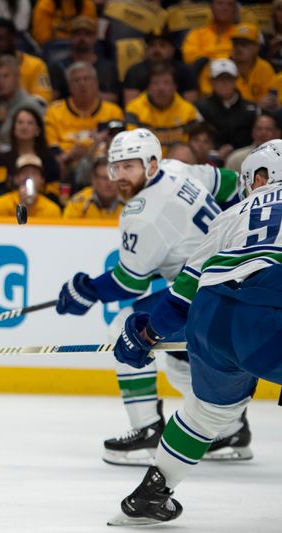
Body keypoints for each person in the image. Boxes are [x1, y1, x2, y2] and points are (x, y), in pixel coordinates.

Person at [107, 140, 282, 526]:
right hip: (274, 299)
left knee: (206, 413)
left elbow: (182, 295)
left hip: (213, 314)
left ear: (263, 177)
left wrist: (147, 335)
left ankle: (151, 493)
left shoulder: (231, 214)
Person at [54, 128, 250, 466]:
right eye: (116, 168)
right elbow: (232, 182)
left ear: (151, 164)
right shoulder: (178, 169)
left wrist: (86, 290)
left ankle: (146, 431)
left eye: (129, 166)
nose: (120, 176)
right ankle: (228, 428)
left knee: (123, 326)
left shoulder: (142, 214)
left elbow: (130, 284)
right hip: (237, 290)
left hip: (207, 299)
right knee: (177, 359)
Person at [125, 63, 202, 153]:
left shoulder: (189, 110)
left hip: (179, 163)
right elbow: (132, 145)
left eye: (166, 83)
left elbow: (196, 144)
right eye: (155, 83)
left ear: (175, 86)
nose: (161, 88)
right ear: (148, 87)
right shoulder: (134, 109)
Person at [0, 55, 41, 154]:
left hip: (18, 160)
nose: (1, 81)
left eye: (6, 76)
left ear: (17, 77)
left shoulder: (30, 106)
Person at [48, 16, 119, 103]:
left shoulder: (108, 68)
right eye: (77, 34)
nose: (82, 38)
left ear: (95, 38)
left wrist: (84, 94)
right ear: (70, 37)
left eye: (87, 34)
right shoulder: (58, 67)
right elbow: (51, 99)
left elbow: (113, 98)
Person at [194, 59, 258, 156]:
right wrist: (216, 152)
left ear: (235, 81)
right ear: (212, 82)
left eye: (228, 79)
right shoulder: (200, 108)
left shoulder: (251, 108)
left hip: (245, 157)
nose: (224, 83)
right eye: (220, 79)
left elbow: (256, 138)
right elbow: (198, 139)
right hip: (210, 157)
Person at [122, 27, 198, 105]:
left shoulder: (184, 71)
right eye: (152, 45)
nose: (156, 49)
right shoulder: (135, 71)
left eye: (162, 45)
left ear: (172, 49)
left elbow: (191, 105)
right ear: (146, 49)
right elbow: (130, 106)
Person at [0, 154, 61, 218]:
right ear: (16, 179)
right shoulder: (2, 204)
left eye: (34, 173)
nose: (29, 177)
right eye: (24, 172)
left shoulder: (52, 210)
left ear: (42, 180)